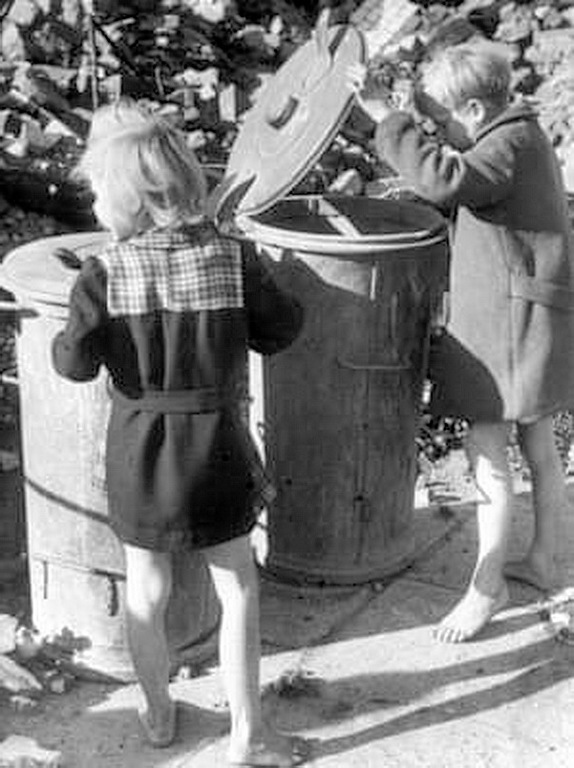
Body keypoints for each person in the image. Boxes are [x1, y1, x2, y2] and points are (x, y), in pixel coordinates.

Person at [52, 101, 308, 766]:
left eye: (99, 191)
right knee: (237, 585)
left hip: (139, 453)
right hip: (216, 447)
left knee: (146, 588)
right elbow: (281, 330)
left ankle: (159, 712)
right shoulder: (234, 257)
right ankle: (248, 734)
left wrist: (73, 328)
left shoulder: (102, 274)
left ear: (125, 201)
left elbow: (73, 365)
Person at [348, 41, 574, 642]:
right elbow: (457, 153)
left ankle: (487, 586)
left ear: (474, 109)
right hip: (533, 314)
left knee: (486, 452)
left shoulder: (503, 147)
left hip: (508, 323)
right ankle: (547, 559)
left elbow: (445, 180)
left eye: (445, 117)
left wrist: (388, 120)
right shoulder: (522, 132)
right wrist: (414, 110)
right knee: (539, 447)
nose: (441, 130)